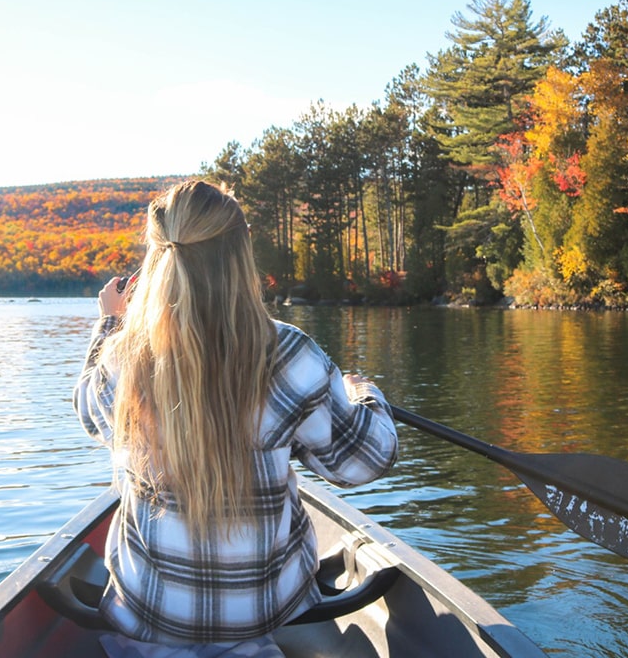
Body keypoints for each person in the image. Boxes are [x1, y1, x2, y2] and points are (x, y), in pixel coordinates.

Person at [74, 180, 398, 656]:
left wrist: (110, 324)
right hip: (262, 613)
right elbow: (364, 463)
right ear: (240, 251)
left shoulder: (125, 354)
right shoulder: (288, 354)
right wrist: (364, 393)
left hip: (148, 612)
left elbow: (90, 413)